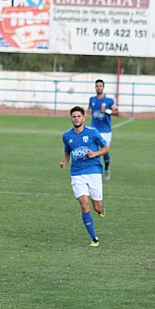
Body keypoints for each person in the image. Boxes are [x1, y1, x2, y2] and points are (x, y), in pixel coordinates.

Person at [60, 106, 109, 247]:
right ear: (71, 118)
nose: (76, 119)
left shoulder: (93, 133)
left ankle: (101, 208)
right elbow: (67, 151)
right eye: (74, 116)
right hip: (77, 174)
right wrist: (64, 161)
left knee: (97, 207)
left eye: (78, 116)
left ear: (83, 118)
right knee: (84, 204)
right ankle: (94, 238)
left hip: (93, 172)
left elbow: (106, 149)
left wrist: (95, 154)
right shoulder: (67, 136)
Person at [87, 79, 119, 181]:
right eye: (97, 86)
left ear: (103, 87)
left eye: (100, 86)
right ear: (95, 87)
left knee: (104, 151)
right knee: (92, 150)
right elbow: (90, 109)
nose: (99, 87)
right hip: (94, 129)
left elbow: (117, 113)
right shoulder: (92, 99)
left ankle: (107, 168)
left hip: (105, 130)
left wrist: (107, 111)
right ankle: (92, 171)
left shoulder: (109, 101)